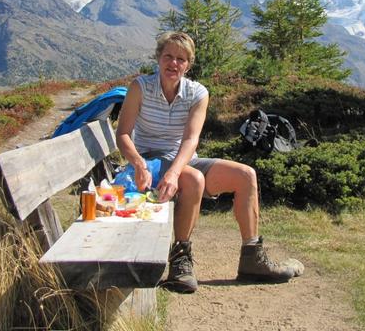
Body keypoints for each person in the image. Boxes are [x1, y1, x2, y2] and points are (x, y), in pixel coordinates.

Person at [116, 31, 303, 293]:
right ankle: (180, 260)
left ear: (188, 64)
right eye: (168, 56)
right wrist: (137, 162)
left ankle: (252, 257)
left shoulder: (197, 93)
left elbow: (191, 140)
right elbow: (123, 133)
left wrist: (174, 172)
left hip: (183, 159)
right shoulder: (140, 87)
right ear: (158, 58)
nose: (174, 63)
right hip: (149, 164)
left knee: (246, 175)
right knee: (193, 178)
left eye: (181, 59)